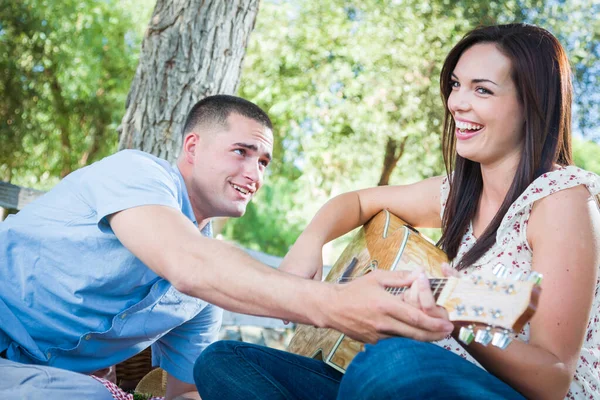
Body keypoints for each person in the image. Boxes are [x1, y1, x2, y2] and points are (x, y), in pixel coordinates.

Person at [194, 24, 600, 400]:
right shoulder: (459, 194)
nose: (457, 102)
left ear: (532, 103)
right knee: (224, 360)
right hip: (415, 383)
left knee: (392, 361)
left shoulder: (561, 199)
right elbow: (356, 201)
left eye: (482, 90)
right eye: (456, 85)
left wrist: (456, 318)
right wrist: (311, 241)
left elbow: (553, 377)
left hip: (487, 388)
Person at [0, 95, 453, 400]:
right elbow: (188, 262)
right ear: (192, 146)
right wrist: (335, 303)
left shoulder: (202, 300)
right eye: (242, 151)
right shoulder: (136, 173)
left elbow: (182, 391)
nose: (255, 173)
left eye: (264, 161)